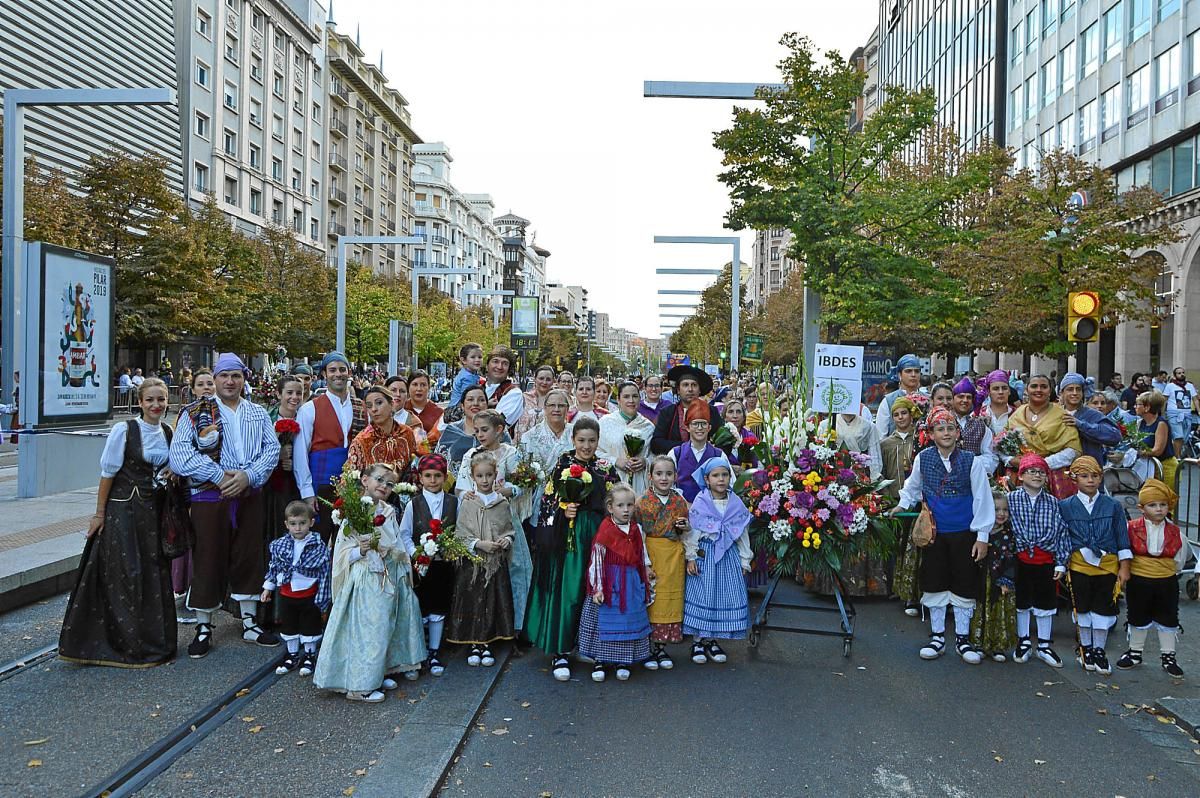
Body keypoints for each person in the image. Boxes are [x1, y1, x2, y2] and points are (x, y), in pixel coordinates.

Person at [169, 355, 282, 659]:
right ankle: (204, 625)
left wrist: (248, 476)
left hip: (249, 493)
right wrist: (219, 476)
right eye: (224, 376)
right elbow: (179, 456)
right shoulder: (195, 412)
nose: (230, 381)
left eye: (236, 376)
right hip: (210, 496)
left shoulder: (258, 413)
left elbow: (271, 450)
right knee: (208, 557)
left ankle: (249, 620)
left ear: (244, 379)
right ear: (215, 379)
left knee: (249, 554)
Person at [59, 379, 176, 667]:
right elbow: (107, 474)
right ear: (140, 402)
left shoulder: (168, 431)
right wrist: (99, 514)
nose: (156, 405)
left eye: (160, 399)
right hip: (124, 511)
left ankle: (151, 639)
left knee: (152, 571)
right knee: (126, 572)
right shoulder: (123, 430)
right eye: (150, 400)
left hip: (153, 512)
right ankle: (123, 642)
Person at [315, 463, 425, 701]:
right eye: (379, 480)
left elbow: (395, 541)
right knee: (370, 628)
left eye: (390, 484)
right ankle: (360, 685)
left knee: (387, 624)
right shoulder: (353, 511)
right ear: (365, 480)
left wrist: (402, 562)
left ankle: (379, 670)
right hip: (366, 577)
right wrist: (361, 551)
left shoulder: (387, 510)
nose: (384, 486)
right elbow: (343, 552)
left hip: (389, 573)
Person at [893, 406, 994, 664]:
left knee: (963, 582)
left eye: (950, 428)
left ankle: (962, 639)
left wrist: (982, 535)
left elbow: (983, 499)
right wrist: (902, 506)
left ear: (958, 433)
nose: (946, 433)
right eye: (940, 429)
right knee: (934, 581)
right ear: (931, 433)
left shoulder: (973, 461)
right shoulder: (923, 458)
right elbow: (912, 488)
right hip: (934, 534)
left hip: (964, 533)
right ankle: (937, 637)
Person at [526, 416, 619, 681]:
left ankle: (596, 649)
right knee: (570, 589)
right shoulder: (563, 464)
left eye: (591, 441)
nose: (586, 446)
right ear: (573, 440)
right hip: (569, 536)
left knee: (598, 590)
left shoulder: (605, 467)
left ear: (598, 441)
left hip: (599, 535)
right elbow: (547, 501)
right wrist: (564, 508)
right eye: (581, 441)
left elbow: (617, 499)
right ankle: (562, 649)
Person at [454, 409, 533, 639]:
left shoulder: (510, 454)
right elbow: (460, 485)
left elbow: (524, 484)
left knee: (515, 567)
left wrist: (509, 490)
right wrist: (465, 495)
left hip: (504, 516)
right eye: (476, 430)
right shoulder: (471, 454)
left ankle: (516, 625)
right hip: (478, 519)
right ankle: (481, 626)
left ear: (499, 430)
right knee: (481, 570)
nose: (479, 434)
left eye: (484, 430)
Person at [1058, 456, 1131, 676]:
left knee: (1103, 606)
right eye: (1084, 476)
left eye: (1095, 476)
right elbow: (1062, 537)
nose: (1090, 480)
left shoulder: (1113, 506)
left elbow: (1122, 536)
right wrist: (1062, 563)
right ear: (1074, 479)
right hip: (1079, 565)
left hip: (1107, 564)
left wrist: (1124, 566)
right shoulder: (1066, 506)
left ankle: (1099, 649)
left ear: (1101, 478)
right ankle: (1085, 647)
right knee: (1082, 606)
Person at [446, 451, 516, 666]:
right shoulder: (468, 502)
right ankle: (474, 642)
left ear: (495, 475)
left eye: (488, 475)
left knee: (492, 600)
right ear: (473, 476)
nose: (485, 480)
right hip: (473, 564)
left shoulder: (501, 502)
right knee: (473, 601)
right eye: (480, 476)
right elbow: (461, 533)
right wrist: (478, 544)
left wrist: (506, 541)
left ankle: (487, 642)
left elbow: (507, 529)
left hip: (495, 563)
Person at [578, 483, 653, 682]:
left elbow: (641, 551)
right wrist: (597, 588)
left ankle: (623, 661)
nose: (626, 510)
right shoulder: (606, 529)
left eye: (630, 505)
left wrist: (646, 568)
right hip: (610, 582)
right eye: (620, 505)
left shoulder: (635, 529)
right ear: (610, 507)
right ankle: (600, 661)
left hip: (630, 581)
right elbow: (596, 559)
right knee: (604, 622)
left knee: (627, 620)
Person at [683, 456, 752, 665]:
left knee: (721, 595)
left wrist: (745, 559)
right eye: (716, 475)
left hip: (727, 556)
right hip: (705, 554)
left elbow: (741, 533)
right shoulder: (701, 502)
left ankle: (712, 639)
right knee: (704, 594)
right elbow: (694, 531)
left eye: (724, 475)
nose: (721, 479)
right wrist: (691, 556)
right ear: (707, 478)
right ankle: (698, 640)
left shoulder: (735, 503)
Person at [1006, 453, 1072, 668]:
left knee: (1046, 602)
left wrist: (1062, 561)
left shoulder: (1053, 503)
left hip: (1046, 560)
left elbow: (1062, 532)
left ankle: (1044, 644)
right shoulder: (1011, 499)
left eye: (1041, 472)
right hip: (1021, 559)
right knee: (1022, 601)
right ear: (1022, 476)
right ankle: (1023, 640)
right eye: (1031, 471)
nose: (1036, 475)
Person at [294, 352, 367, 543]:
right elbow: (300, 454)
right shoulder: (309, 409)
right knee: (319, 541)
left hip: (353, 486)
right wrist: (308, 493)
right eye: (332, 370)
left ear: (349, 372)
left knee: (348, 543)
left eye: (342, 369)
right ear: (324, 375)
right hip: (321, 485)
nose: (338, 374)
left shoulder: (360, 407)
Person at [397, 453, 458, 678]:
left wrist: (451, 549)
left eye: (437, 476)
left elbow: (459, 529)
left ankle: (434, 651)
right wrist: (416, 553)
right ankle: (417, 653)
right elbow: (404, 533)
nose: (433, 480)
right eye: (428, 476)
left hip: (443, 563)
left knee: (439, 607)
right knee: (420, 605)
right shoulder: (414, 503)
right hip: (421, 565)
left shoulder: (453, 502)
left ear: (444, 477)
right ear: (420, 478)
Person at [1117, 479, 1185, 677]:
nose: (1158, 509)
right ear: (1141, 508)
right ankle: (1135, 652)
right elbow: (1125, 551)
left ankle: (1168, 656)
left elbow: (1179, 558)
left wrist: (1165, 571)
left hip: (1166, 580)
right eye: (1152, 505)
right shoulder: (1131, 528)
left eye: (1163, 505)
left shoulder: (1175, 531)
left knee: (1168, 617)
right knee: (1138, 615)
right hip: (1139, 580)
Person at [261, 501, 332, 677]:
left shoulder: (318, 546)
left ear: (311, 523)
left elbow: (324, 573)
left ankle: (309, 655)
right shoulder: (280, 545)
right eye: (293, 524)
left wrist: (323, 598)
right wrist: (267, 588)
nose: (298, 528)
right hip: (287, 592)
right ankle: (292, 655)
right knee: (290, 625)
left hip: (309, 593)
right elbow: (274, 567)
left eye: (302, 523)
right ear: (287, 525)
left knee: (310, 625)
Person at [636, 456, 692, 670]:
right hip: (650, 551)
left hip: (673, 554)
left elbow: (687, 531)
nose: (664, 478)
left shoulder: (679, 501)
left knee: (669, 600)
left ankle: (661, 647)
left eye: (669, 474)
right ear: (650, 477)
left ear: (675, 476)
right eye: (659, 474)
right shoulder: (642, 502)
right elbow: (638, 533)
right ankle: (647, 647)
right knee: (651, 598)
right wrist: (644, 562)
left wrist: (686, 527)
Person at [1005, 375, 1082, 499]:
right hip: (1019, 474)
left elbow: (1073, 449)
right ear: (1026, 390)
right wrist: (1010, 459)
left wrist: (1041, 464)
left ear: (1050, 390)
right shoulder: (1016, 414)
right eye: (1034, 386)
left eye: (1044, 387)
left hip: (1053, 476)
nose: (1039, 390)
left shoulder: (1062, 415)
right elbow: (1002, 443)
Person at [968, 491, 1017, 663]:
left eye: (1005, 510)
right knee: (981, 610)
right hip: (982, 579)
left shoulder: (1008, 534)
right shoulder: (981, 533)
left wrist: (1006, 580)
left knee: (999, 611)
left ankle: (998, 646)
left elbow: (1011, 558)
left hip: (1000, 580)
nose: (1001, 513)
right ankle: (980, 644)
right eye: (996, 510)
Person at [517, 388, 575, 531]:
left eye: (561, 406)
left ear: (567, 408)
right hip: (538, 498)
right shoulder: (530, 436)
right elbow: (520, 470)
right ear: (545, 407)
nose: (556, 409)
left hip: (570, 499)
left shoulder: (575, 433)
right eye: (552, 405)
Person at [651, 364, 724, 454]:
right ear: (678, 390)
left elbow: (723, 440)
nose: (690, 389)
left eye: (694, 385)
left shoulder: (711, 411)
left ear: (699, 390)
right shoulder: (667, 412)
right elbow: (656, 443)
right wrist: (688, 447)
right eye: (685, 385)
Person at [598, 380, 655, 495]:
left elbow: (654, 455)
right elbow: (596, 451)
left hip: (639, 483)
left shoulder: (648, 426)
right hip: (612, 480)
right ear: (618, 400)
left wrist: (645, 462)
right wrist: (615, 461)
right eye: (626, 397)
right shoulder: (605, 423)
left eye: (635, 396)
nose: (631, 400)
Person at [437, 384, 509, 475]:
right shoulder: (451, 431)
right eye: (470, 399)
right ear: (462, 406)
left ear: (487, 405)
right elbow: (438, 465)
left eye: (481, 400)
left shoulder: (499, 432)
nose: (475, 403)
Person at [347, 386, 418, 475]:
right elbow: (351, 482)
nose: (374, 409)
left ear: (391, 404)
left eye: (379, 403)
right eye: (369, 406)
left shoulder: (407, 433)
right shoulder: (361, 441)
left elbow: (415, 466)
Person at [1057, 373, 1121, 465]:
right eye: (1070, 389)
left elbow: (1115, 436)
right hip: (1060, 472)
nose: (1074, 393)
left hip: (1089, 472)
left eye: (1078, 389)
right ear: (1061, 393)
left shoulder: (1093, 415)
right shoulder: (1055, 414)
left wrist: (1081, 425)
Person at [669, 401, 723, 503]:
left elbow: (729, 484)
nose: (699, 428)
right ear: (687, 427)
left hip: (712, 511)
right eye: (695, 424)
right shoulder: (676, 454)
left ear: (709, 428)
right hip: (681, 511)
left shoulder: (718, 455)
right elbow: (667, 485)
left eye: (703, 424)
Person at [950, 377, 997, 475]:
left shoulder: (981, 425)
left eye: (968, 397)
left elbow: (989, 456)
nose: (965, 400)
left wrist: (969, 462)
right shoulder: (944, 421)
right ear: (953, 399)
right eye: (961, 396)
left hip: (974, 477)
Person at [1135, 390, 1176, 487]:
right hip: (1148, 468)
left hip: (1164, 468)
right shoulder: (1141, 423)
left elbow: (1157, 450)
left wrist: (1138, 453)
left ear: (1147, 407)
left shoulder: (1161, 424)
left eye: (1138, 404)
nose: (1135, 407)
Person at [875, 354, 924, 437]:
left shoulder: (928, 399)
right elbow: (881, 437)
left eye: (917, 371)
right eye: (908, 371)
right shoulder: (888, 401)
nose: (913, 375)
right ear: (899, 375)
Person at [480, 345, 526, 430]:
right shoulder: (478, 389)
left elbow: (497, 424)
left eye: (505, 363)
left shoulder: (513, 393)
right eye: (495, 361)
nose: (499, 367)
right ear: (487, 366)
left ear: (509, 369)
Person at [514, 365, 557, 442]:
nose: (544, 382)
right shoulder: (523, 398)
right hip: (522, 444)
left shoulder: (557, 401)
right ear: (535, 379)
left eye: (548, 379)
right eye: (541, 378)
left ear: (553, 381)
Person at [1162, 367, 1198, 458]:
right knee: (1178, 436)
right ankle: (1177, 458)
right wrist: (1162, 413)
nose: (1181, 374)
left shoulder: (1190, 386)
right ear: (1174, 376)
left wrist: (1199, 411)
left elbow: (1195, 399)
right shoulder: (1170, 386)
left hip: (1187, 414)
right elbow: (1164, 400)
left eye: (1183, 372)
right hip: (1174, 414)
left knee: (1184, 438)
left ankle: (1175, 454)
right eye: (1179, 373)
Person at [405, 370, 443, 443]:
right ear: (408, 387)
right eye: (415, 384)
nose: (419, 389)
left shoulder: (439, 413)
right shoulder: (401, 409)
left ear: (429, 387)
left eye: (423, 385)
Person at [448, 342, 484, 408]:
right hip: (458, 411)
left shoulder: (467, 373)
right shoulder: (468, 377)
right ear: (464, 360)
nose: (477, 360)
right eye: (473, 357)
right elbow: (470, 398)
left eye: (480, 357)